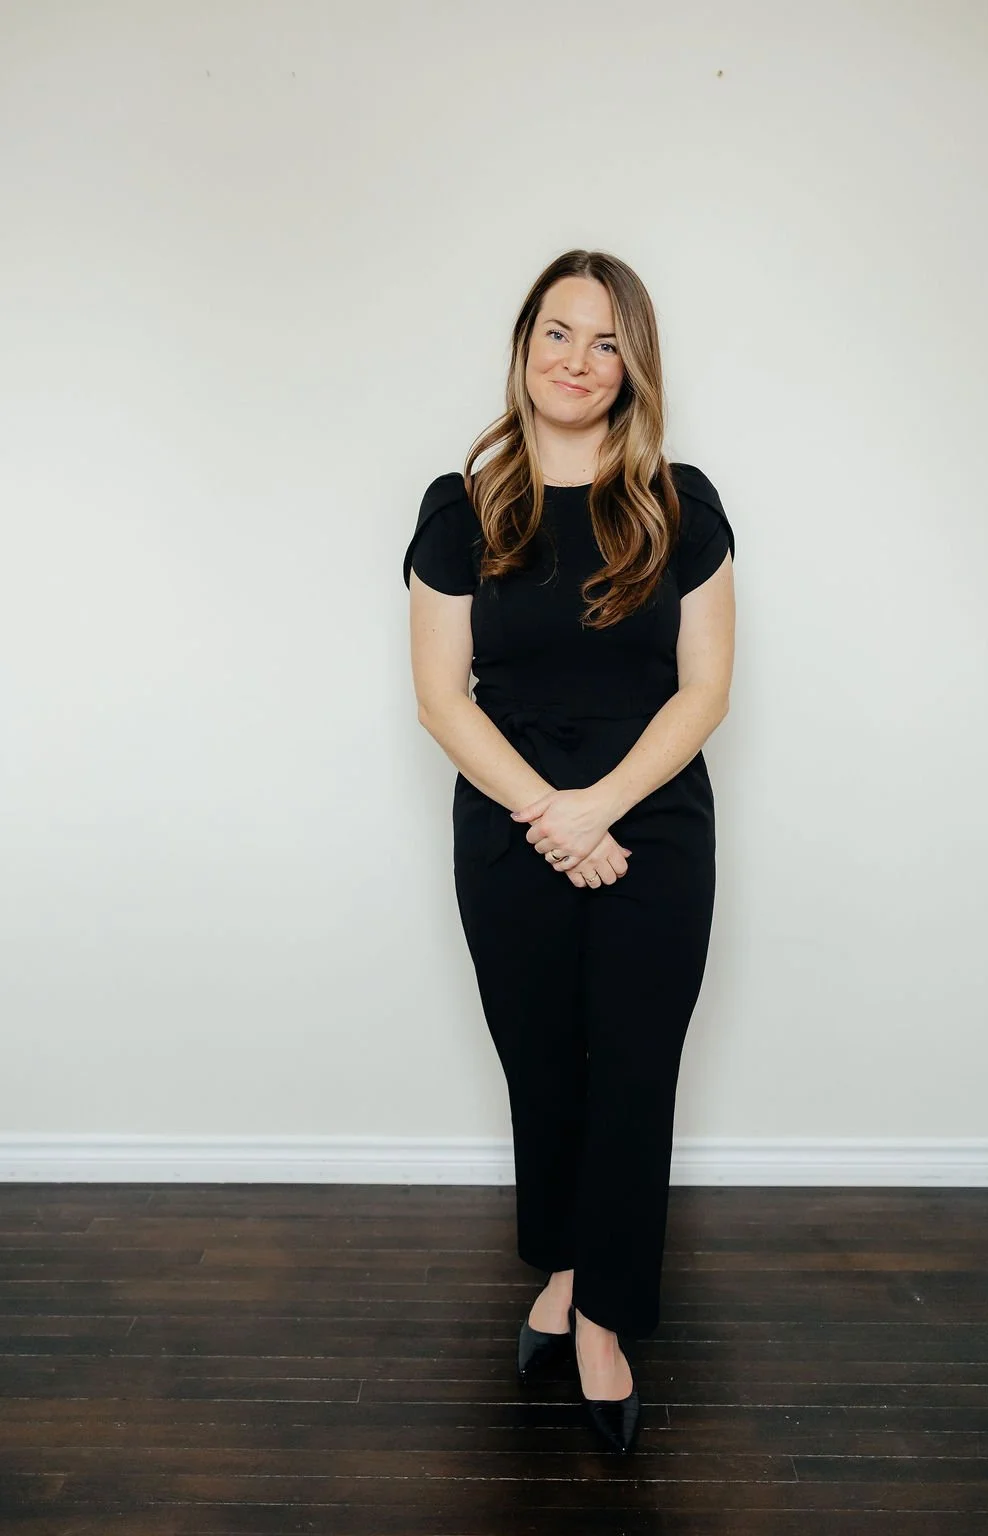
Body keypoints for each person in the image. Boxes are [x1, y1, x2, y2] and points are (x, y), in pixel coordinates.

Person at [402, 249, 736, 1454]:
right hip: (508, 823)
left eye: (605, 341)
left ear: (632, 363)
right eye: (558, 332)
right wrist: (552, 810)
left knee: (633, 1074)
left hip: (651, 823)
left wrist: (600, 808)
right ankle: (559, 1266)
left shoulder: (679, 503)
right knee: (542, 1066)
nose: (577, 361)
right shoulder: (463, 506)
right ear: (522, 345)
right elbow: (443, 700)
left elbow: (704, 692)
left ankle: (602, 1317)